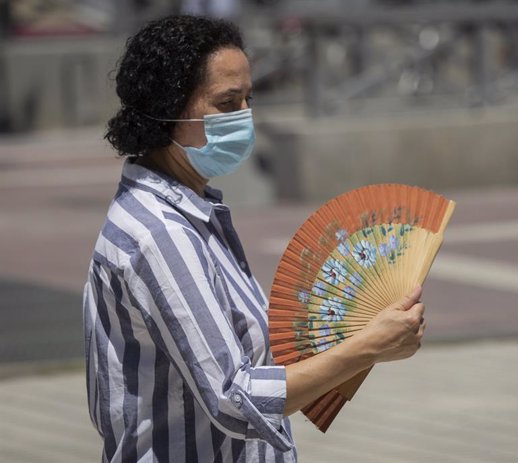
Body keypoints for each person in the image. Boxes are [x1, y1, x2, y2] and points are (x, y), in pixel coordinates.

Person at [83, 15, 426, 462]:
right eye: (227, 103)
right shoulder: (160, 235)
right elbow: (235, 400)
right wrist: (368, 347)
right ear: (168, 110)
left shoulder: (188, 211)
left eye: (249, 99)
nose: (244, 117)